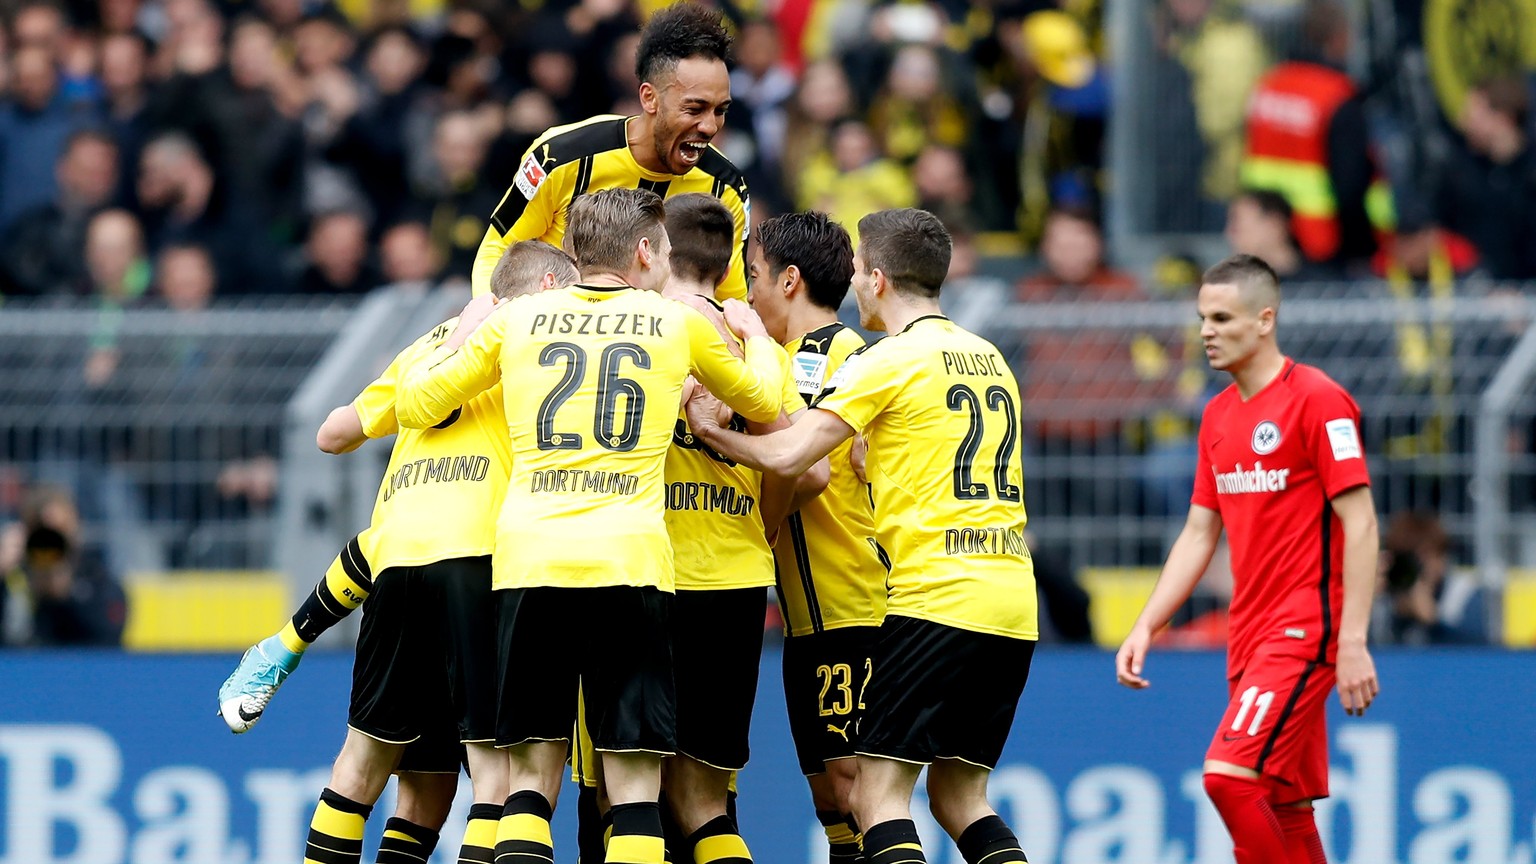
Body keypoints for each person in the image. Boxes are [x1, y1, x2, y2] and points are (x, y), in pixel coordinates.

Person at [393, 187, 786, 864]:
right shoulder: (675, 325)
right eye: (662, 248)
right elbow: (766, 400)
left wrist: (466, 327)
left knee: (528, 788)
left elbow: (417, 402)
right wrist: (756, 338)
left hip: (530, 562)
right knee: (633, 791)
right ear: (643, 251)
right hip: (630, 564)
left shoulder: (519, 320)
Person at [683, 208, 1039, 864]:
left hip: (906, 599)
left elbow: (801, 461)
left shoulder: (871, 360)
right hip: (1006, 596)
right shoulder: (989, 357)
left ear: (876, 279)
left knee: (870, 795)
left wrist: (714, 434)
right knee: (947, 798)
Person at [218, 241, 578, 864]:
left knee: (381, 770)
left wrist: (442, 354)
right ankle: (283, 646)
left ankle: (282, 647)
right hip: (480, 561)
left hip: (395, 561)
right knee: (495, 777)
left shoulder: (425, 346)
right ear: (548, 285)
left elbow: (332, 434)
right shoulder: (542, 340)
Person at [1114, 253, 1381, 864]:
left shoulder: (1317, 399)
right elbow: (1198, 533)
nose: (1207, 330)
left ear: (1265, 320)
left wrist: (1353, 641)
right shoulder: (1216, 416)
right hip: (1251, 631)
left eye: (1223, 317)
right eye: (1203, 317)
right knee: (1284, 806)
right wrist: (1147, 622)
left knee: (1229, 780)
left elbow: (1362, 523)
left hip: (1304, 627)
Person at [745, 209, 887, 864]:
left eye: (754, 277)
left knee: (856, 788)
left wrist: (758, 526)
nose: (748, 293)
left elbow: (811, 471)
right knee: (831, 802)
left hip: (854, 605)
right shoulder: (776, 361)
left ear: (790, 281)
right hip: (807, 621)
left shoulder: (846, 361)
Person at [471, 1, 752, 302]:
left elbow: (729, 300)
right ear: (649, 98)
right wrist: (492, 322)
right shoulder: (560, 156)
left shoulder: (726, 188)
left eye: (720, 111)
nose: (710, 126)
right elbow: (497, 250)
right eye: (694, 109)